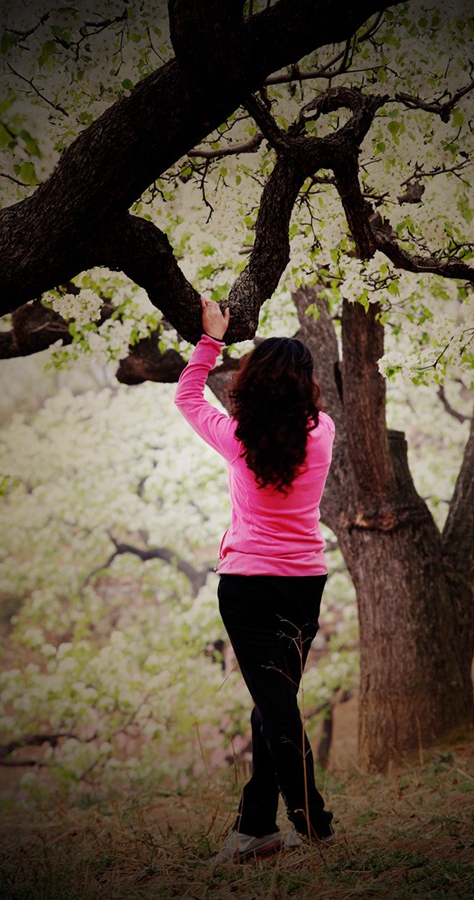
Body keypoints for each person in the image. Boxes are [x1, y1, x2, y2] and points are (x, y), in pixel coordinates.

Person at [174, 296, 335, 863]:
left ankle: (312, 819)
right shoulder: (325, 432)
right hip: (304, 583)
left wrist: (211, 341)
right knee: (273, 701)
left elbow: (187, 396)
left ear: (254, 382)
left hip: (247, 587)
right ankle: (255, 828)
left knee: (276, 705)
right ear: (306, 386)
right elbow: (301, 425)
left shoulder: (236, 437)